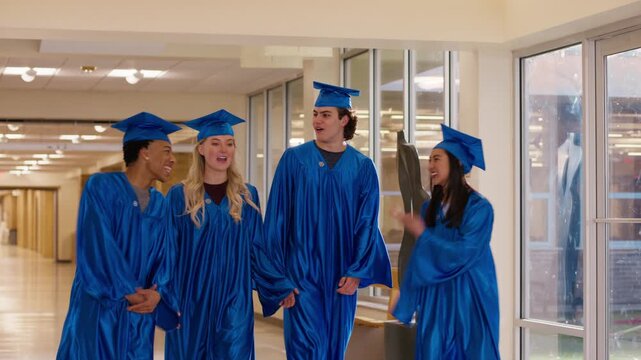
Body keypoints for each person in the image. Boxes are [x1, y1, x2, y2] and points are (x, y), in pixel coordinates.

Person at [263, 81, 393, 360]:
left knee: (334, 350)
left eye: (325, 114)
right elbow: (276, 221)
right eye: (314, 113)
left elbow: (367, 223)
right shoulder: (294, 160)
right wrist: (279, 279)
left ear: (344, 120)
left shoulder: (362, 167)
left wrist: (357, 271)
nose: (316, 120)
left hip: (342, 277)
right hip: (301, 274)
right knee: (305, 348)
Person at [165, 109, 290, 359]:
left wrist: (279, 285)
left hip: (234, 299)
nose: (224, 149)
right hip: (191, 300)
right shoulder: (180, 196)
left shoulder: (247, 196)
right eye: (215, 143)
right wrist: (167, 299)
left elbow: (258, 248)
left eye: (229, 143)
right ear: (201, 149)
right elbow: (168, 250)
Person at [57, 112, 181, 359]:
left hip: (139, 312)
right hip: (100, 307)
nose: (172, 159)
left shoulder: (161, 203)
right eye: (166, 150)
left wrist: (158, 294)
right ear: (145, 152)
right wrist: (128, 291)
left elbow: (168, 257)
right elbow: (97, 246)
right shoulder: (101, 187)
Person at [393, 124, 500, 359]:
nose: (430, 165)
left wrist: (423, 233)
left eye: (437, 159)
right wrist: (407, 299)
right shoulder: (428, 208)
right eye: (430, 159)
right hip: (437, 298)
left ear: (457, 162)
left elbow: (463, 253)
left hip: (469, 297)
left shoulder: (480, 209)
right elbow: (420, 257)